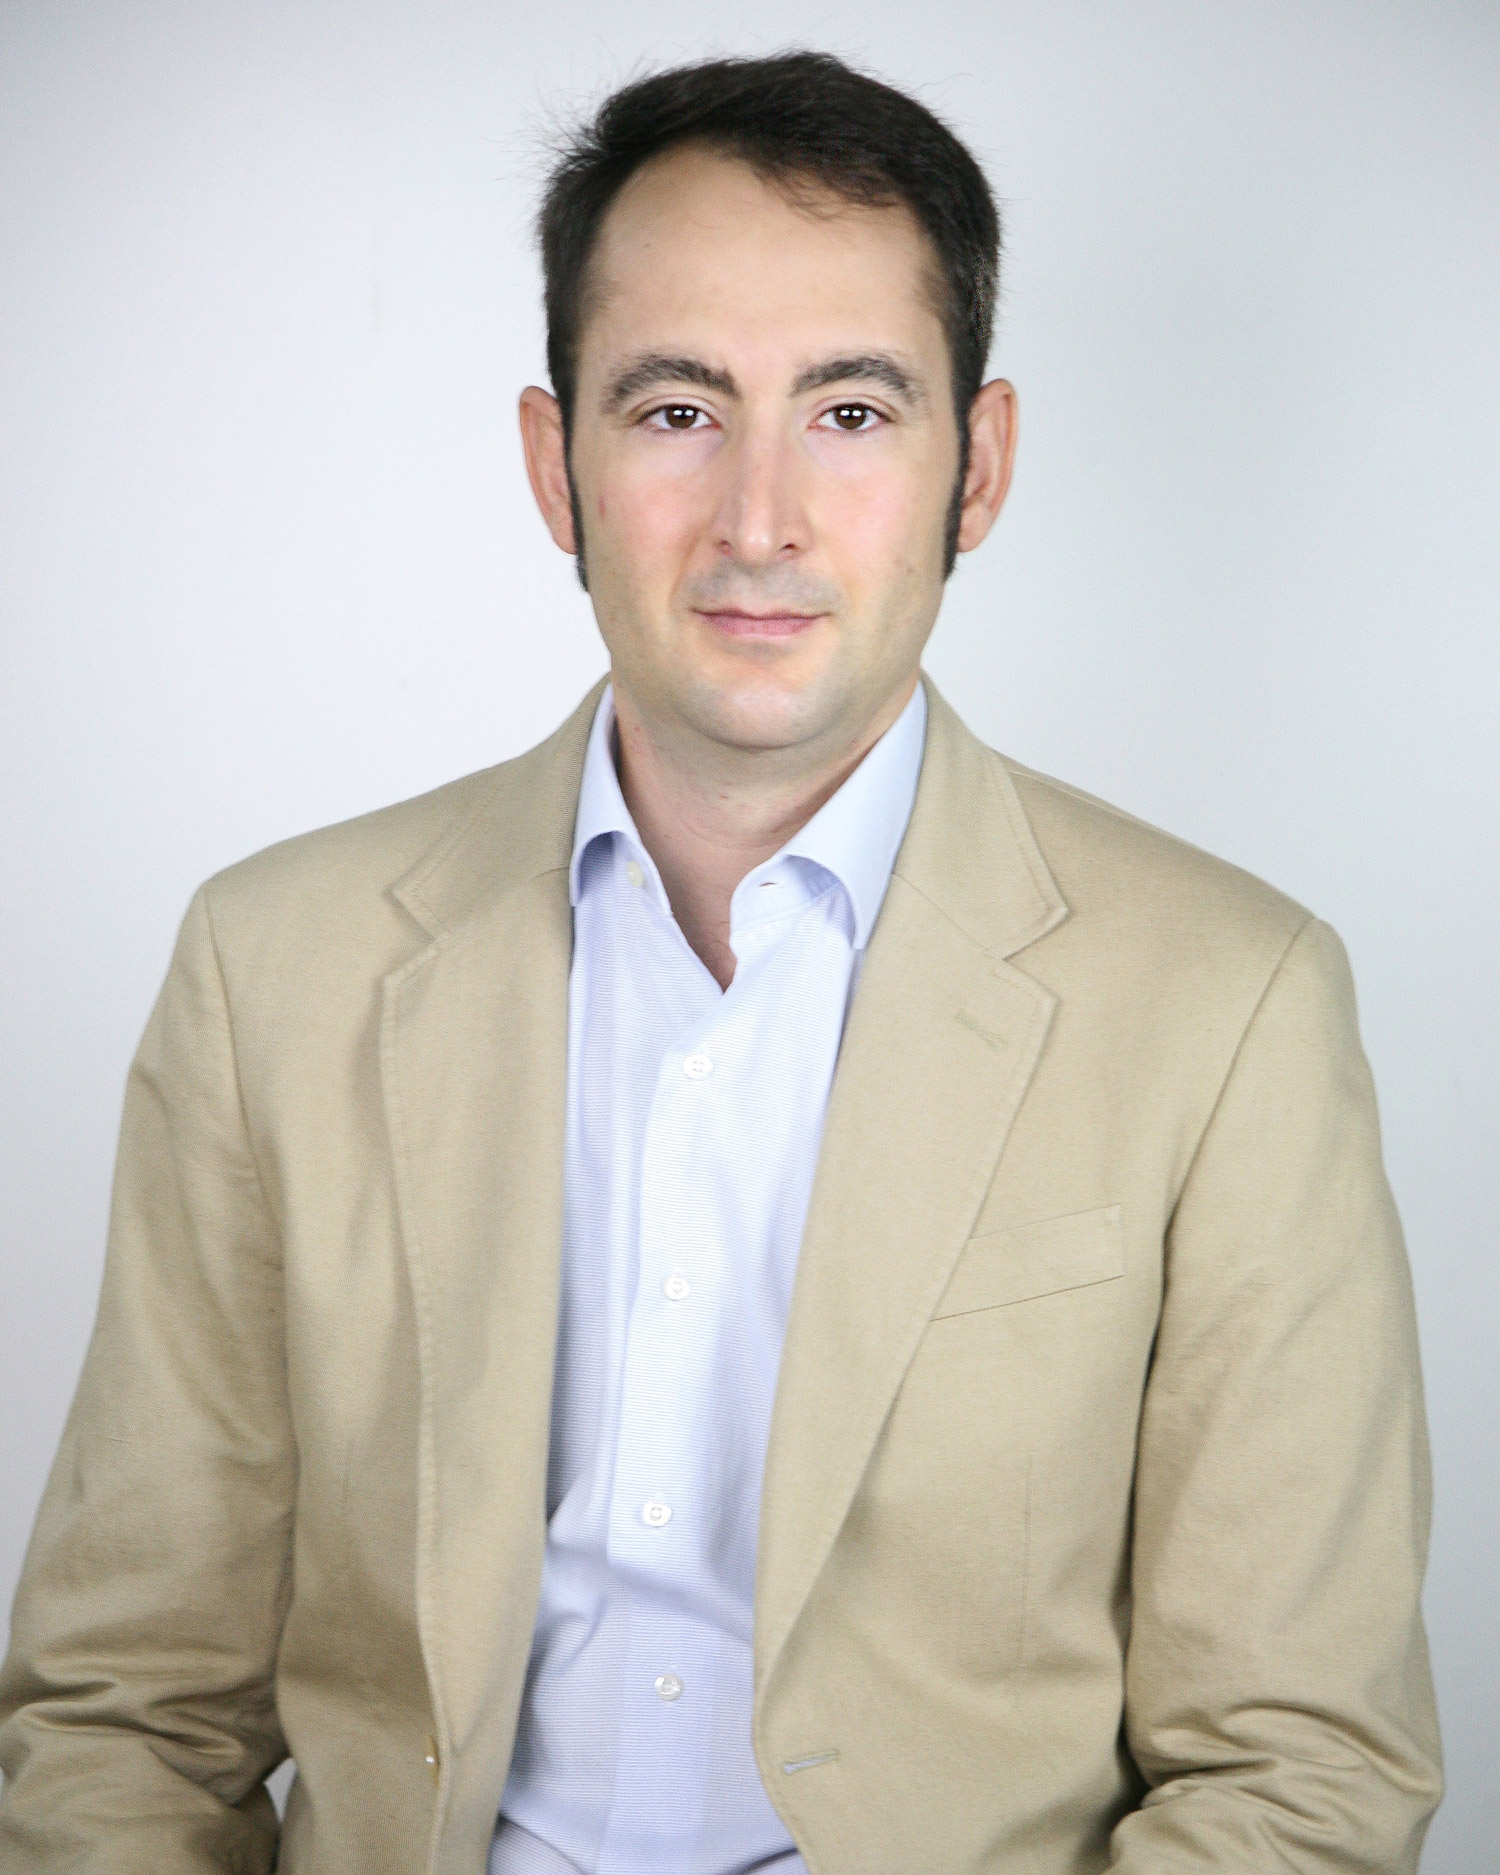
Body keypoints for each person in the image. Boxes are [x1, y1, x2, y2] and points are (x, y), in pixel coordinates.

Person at [0, 48, 1441, 1875]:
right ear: (558, 466)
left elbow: (1304, 1770)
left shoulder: (1231, 1006)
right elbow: (126, 1712)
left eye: (851, 411)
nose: (760, 518)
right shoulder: (271, 968)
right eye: (678, 409)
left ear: (978, 466)